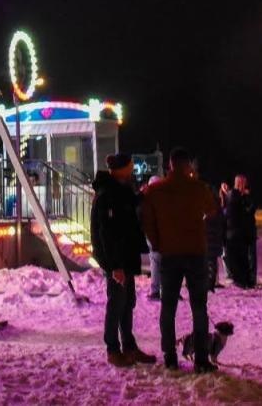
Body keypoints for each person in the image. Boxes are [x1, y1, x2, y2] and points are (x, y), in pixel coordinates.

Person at [141, 147, 219, 373]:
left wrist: (157, 243)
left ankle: (170, 356)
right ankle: (202, 359)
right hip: (195, 252)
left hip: (169, 253)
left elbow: (147, 219)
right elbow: (212, 210)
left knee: (168, 306)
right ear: (188, 166)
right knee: (199, 306)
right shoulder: (198, 188)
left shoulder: (156, 190)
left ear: (169, 165)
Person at [90, 153, 155, 366]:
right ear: (120, 170)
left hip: (125, 257)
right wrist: (114, 266)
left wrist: (142, 195)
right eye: (129, 166)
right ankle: (113, 349)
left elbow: (128, 205)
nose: (132, 169)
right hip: (116, 260)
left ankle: (129, 347)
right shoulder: (106, 194)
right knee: (117, 303)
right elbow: (106, 233)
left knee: (127, 302)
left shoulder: (120, 190)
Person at [223, 175, 257, 289]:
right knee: (239, 257)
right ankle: (243, 280)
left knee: (242, 257)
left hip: (237, 231)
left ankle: (244, 280)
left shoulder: (236, 195)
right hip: (237, 231)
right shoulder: (236, 195)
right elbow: (243, 213)